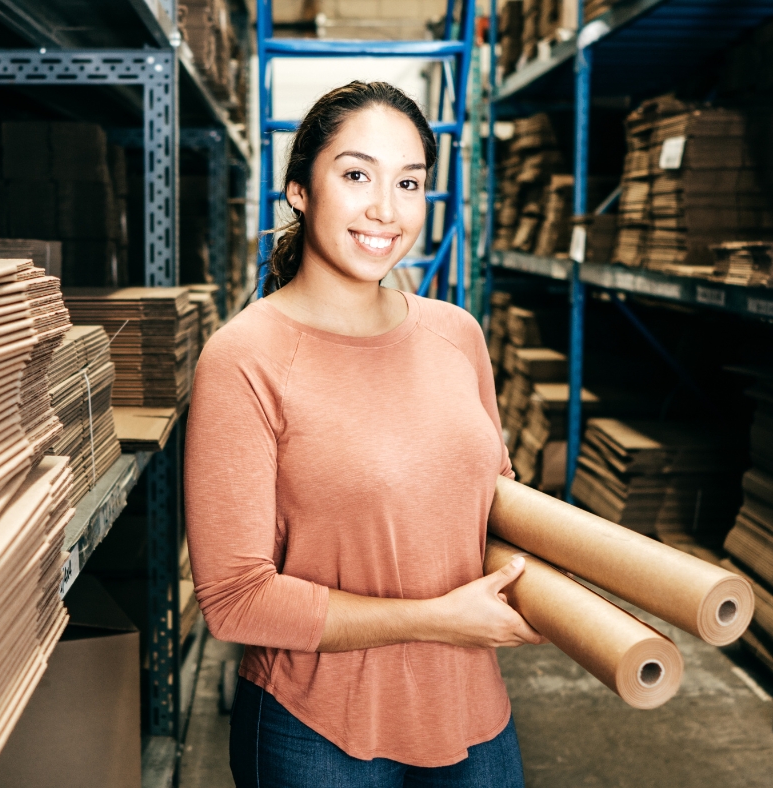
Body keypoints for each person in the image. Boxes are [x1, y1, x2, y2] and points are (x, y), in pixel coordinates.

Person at [184, 81, 544, 788]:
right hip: (318, 732)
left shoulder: (456, 335)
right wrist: (439, 620)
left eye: (409, 183)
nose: (387, 209)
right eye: (356, 175)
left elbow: (493, 505)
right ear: (298, 191)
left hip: (474, 715)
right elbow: (233, 600)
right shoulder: (244, 358)